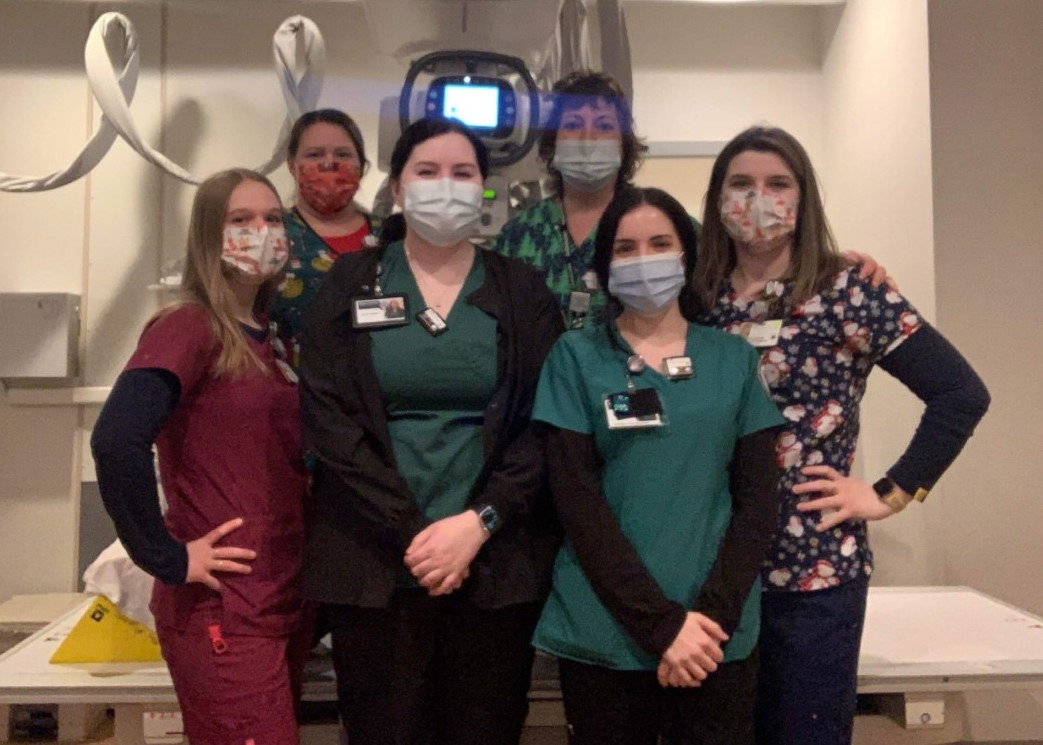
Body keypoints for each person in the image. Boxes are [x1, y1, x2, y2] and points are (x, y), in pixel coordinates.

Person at [692, 126, 991, 745]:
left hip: (813, 573)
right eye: (741, 184)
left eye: (778, 184)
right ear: (717, 200)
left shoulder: (848, 291)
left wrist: (890, 493)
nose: (759, 199)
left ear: (803, 199)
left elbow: (961, 394)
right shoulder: (696, 301)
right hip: (710, 569)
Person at [298, 118, 564, 745]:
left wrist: (479, 522)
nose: (445, 186)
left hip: (494, 564)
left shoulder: (520, 292)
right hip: (374, 559)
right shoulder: (349, 284)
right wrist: (415, 533)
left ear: (484, 190)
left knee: (486, 728)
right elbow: (329, 420)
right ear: (396, 186)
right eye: (428, 171)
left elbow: (545, 423)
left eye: (462, 174)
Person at [531, 186, 786, 744]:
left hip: (713, 635)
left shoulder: (733, 359)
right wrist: (662, 626)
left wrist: (706, 624)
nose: (643, 259)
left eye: (660, 243)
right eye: (625, 248)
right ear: (604, 265)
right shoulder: (575, 358)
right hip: (607, 632)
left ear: (687, 255)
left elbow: (759, 503)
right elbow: (577, 504)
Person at [91, 169, 309, 744]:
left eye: (272, 219)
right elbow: (116, 441)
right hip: (223, 608)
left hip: (278, 598)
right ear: (210, 236)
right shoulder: (190, 326)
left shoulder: (270, 338)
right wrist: (165, 556)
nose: (261, 231)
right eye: (241, 220)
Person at [492, 71, 650, 329]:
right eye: (574, 125)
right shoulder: (518, 236)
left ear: (625, 145)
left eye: (604, 126)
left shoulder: (656, 227)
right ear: (552, 144)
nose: (588, 138)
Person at [270, 109, 379, 366]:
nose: (329, 163)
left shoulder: (392, 236)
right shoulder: (273, 233)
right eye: (315, 154)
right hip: (298, 390)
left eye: (342, 154)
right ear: (291, 166)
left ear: (361, 166)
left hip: (382, 392)